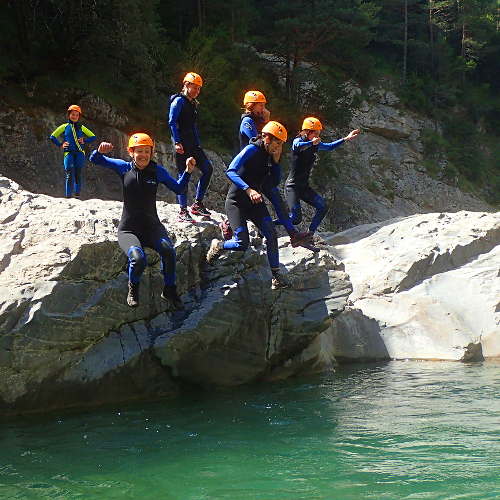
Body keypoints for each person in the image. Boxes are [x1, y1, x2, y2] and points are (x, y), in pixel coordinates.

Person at [89, 133, 196, 309]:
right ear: (131, 152)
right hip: (128, 230)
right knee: (138, 259)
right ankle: (133, 288)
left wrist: (187, 172)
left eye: (147, 151)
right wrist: (99, 151)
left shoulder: (157, 171)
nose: (144, 155)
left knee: (168, 251)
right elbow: (96, 160)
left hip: (152, 227)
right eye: (139, 151)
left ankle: (169, 289)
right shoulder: (124, 168)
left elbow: (179, 189)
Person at [220, 90, 313, 250]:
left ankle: (293, 234)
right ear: (250, 106)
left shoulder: (257, 120)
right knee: (273, 198)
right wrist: (267, 121)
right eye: (260, 105)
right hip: (250, 168)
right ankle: (292, 234)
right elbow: (257, 141)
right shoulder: (248, 121)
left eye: (264, 105)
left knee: (277, 200)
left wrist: (266, 121)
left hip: (262, 168)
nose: (263, 108)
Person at [206, 121, 291, 289]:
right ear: (266, 138)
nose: (278, 147)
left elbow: (274, 182)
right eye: (276, 142)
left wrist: (276, 162)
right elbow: (230, 170)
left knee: (272, 236)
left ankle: (276, 276)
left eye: (281, 144)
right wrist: (248, 189)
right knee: (241, 243)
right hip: (237, 201)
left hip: (254, 203)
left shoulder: (269, 155)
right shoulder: (251, 149)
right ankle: (218, 245)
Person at [286, 117, 360, 239]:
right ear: (307, 131)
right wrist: (311, 143)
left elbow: (329, 147)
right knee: (295, 219)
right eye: (315, 133)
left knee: (323, 206)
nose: (317, 136)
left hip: (304, 187)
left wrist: (346, 138)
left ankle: (309, 234)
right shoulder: (298, 141)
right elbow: (298, 146)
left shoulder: (316, 144)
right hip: (292, 187)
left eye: (318, 133)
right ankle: (267, 225)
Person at [168, 72, 213, 222]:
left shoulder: (192, 103)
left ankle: (197, 204)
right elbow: (172, 122)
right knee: (183, 175)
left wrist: (198, 142)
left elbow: (192, 126)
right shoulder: (178, 101)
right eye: (194, 88)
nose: (196, 91)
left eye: (198, 89)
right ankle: (182, 210)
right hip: (182, 144)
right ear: (186, 85)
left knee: (208, 169)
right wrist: (177, 142)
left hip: (193, 144)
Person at [49, 105, 96, 198]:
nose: (74, 116)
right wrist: (60, 144)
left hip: (80, 153)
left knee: (78, 173)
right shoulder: (64, 126)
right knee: (69, 173)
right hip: (68, 153)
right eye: (72, 114)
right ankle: (68, 197)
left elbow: (93, 137)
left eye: (77, 115)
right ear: (69, 115)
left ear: (79, 116)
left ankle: (77, 195)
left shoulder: (81, 127)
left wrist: (85, 140)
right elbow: (52, 136)